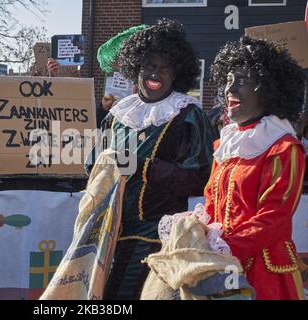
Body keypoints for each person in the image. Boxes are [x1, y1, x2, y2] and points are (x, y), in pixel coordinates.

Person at [86, 18, 214, 300]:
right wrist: (103, 166)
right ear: (136, 70)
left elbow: (198, 177)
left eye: (165, 68)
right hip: (108, 235)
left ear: (176, 74)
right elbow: (93, 164)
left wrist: (141, 167)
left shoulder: (188, 116)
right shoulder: (119, 114)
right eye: (150, 66)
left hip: (156, 237)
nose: (156, 74)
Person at [207, 36, 306, 300]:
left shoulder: (283, 146)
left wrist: (225, 246)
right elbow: (210, 201)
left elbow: (274, 218)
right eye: (228, 80)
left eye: (241, 80)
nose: (230, 89)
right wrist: (198, 229)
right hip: (221, 266)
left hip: (265, 273)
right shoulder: (226, 143)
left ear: (268, 90)